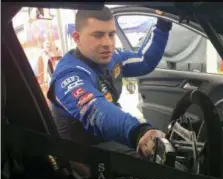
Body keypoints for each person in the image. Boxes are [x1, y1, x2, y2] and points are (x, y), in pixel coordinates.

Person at [47, 7, 172, 159]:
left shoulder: (113, 58)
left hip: (106, 139)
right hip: (80, 155)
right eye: (98, 35)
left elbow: (145, 61)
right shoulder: (69, 75)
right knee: (151, 166)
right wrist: (139, 131)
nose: (107, 43)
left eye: (111, 34)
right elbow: (95, 110)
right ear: (77, 38)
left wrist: (163, 25)